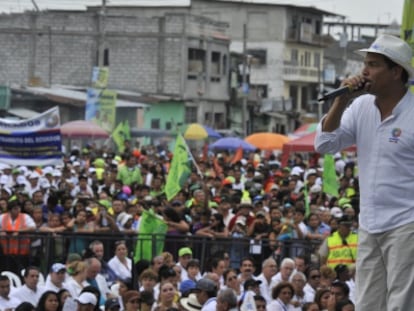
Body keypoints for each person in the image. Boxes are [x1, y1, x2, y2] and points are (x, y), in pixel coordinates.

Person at [314, 34, 414, 311]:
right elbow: (324, 144)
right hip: (370, 224)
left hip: (407, 224)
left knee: (401, 304)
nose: (364, 71)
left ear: (396, 71)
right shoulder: (359, 107)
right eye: (365, 64)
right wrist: (341, 100)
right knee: (368, 303)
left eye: (373, 64)